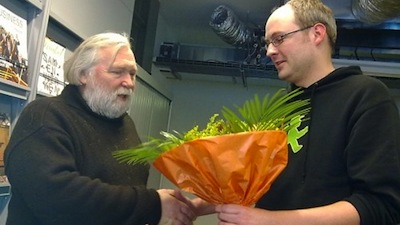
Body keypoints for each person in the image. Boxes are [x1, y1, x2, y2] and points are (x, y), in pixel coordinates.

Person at [215, 0, 400, 224]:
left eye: (279, 38)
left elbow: (379, 206)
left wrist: (268, 220)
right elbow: (255, 182)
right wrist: (199, 204)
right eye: (268, 43)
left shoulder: (365, 95)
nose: (270, 51)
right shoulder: (280, 109)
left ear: (317, 34)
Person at [4, 32, 212, 225]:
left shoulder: (125, 124)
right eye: (118, 72)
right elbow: (54, 196)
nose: (129, 82)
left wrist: (162, 208)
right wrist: (153, 205)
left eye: (132, 74)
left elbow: (125, 194)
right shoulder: (44, 115)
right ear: (83, 74)